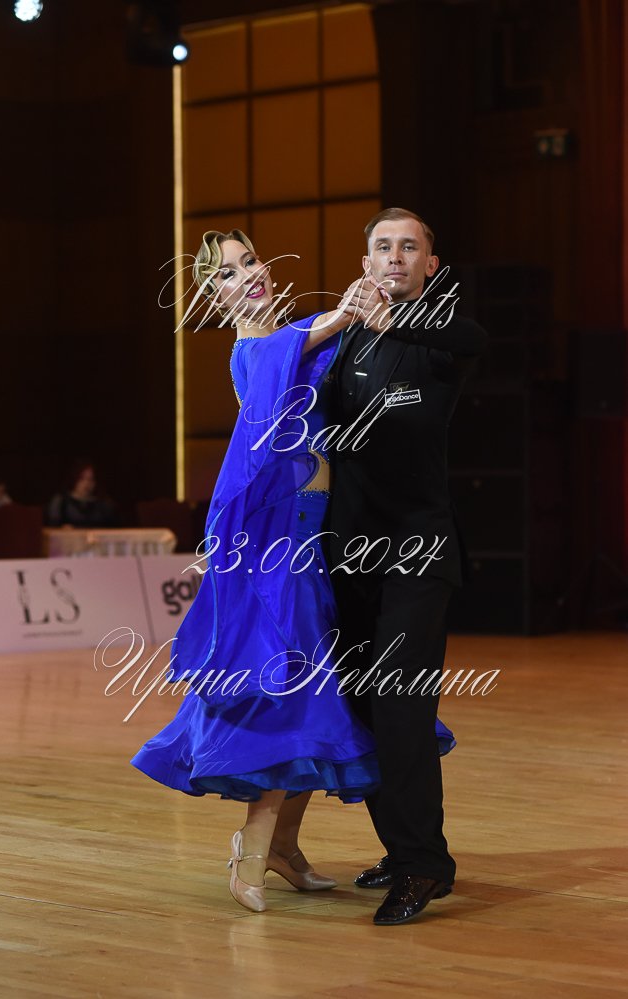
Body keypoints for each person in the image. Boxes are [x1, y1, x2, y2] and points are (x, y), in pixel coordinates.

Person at [130, 229, 381, 914]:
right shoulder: (255, 351)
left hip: (314, 537)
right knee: (294, 692)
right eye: (227, 272)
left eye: (250, 260)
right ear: (214, 297)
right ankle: (254, 844)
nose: (248, 274)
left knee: (319, 694)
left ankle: (284, 847)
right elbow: (294, 347)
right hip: (276, 547)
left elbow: (320, 344)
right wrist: (347, 309)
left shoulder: (295, 338)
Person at [326, 207, 488, 925]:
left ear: (430, 263)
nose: (395, 256)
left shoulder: (438, 335)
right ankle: (403, 848)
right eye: (382, 246)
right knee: (363, 708)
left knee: (401, 706)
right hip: (349, 554)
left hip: (418, 553)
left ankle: (424, 865)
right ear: (366, 261)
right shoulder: (347, 338)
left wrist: (398, 321)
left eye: (409, 247)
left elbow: (473, 336)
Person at [47, 460, 117, 528]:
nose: (86, 483)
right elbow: (52, 526)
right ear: (74, 479)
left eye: (91, 479)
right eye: (82, 479)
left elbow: (113, 528)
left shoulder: (104, 504)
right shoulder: (61, 502)